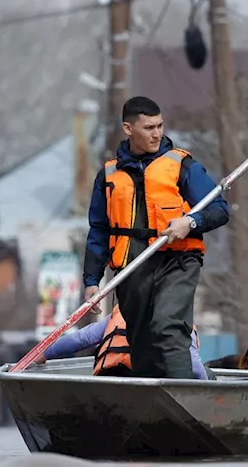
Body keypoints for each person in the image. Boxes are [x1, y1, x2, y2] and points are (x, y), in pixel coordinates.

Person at [83, 96, 230, 379]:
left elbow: (219, 209)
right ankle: (156, 408)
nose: (157, 133)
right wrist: (91, 280)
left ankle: (186, 399)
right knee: (142, 342)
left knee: (167, 326)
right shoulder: (108, 175)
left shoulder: (181, 165)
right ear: (128, 129)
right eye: (149, 127)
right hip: (131, 267)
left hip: (177, 260)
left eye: (160, 126)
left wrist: (190, 222)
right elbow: (99, 230)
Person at [35, 303, 210, 380]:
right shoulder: (180, 321)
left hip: (108, 377)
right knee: (208, 373)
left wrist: (45, 353)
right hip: (145, 385)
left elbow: (81, 338)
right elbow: (194, 366)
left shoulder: (121, 314)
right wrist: (205, 387)